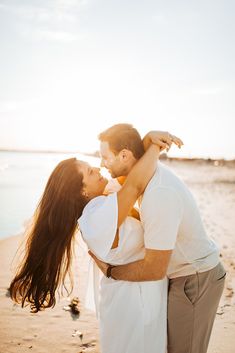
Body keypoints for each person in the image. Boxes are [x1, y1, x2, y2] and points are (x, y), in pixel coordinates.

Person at [9, 130, 181, 353]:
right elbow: (135, 185)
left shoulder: (103, 203)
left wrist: (145, 140)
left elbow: (128, 169)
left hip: (137, 300)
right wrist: (155, 147)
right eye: (91, 172)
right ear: (81, 190)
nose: (99, 168)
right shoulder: (95, 217)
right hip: (133, 307)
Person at [89, 123, 226, 353]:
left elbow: (154, 269)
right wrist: (148, 141)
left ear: (124, 155)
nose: (102, 164)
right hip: (185, 275)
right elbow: (126, 180)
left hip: (195, 279)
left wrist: (111, 271)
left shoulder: (158, 195)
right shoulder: (144, 173)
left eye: (106, 158)